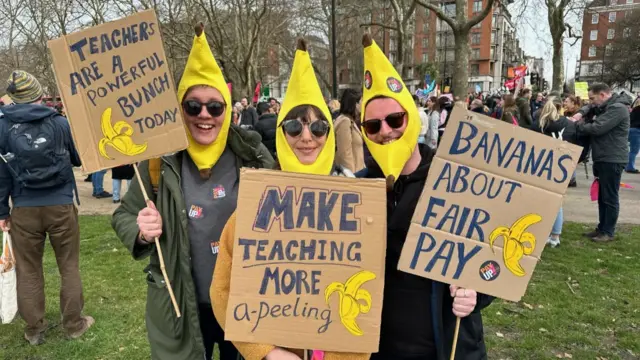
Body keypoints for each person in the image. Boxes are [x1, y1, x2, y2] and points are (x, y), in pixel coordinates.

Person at [111, 25, 274, 360]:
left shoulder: (253, 158)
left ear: (228, 110)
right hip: (182, 305)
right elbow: (124, 215)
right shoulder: (159, 161)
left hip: (244, 306)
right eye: (193, 106)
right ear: (179, 109)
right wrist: (140, 231)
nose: (204, 115)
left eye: (215, 107)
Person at [211, 38, 365, 360]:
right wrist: (266, 352)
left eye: (318, 127)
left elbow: (369, 290)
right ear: (282, 134)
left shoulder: (357, 204)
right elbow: (223, 291)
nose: (306, 137)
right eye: (294, 126)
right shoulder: (257, 203)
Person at [357, 34, 493, 360]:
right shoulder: (357, 192)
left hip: (443, 345)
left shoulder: (455, 183)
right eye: (373, 126)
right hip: (378, 348)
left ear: (413, 119)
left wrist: (478, 292)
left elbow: (491, 258)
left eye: (394, 120)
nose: (385, 131)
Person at [0, 70, 92, 345]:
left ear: (13, 98)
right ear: (40, 95)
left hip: (24, 208)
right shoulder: (60, 122)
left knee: (29, 269)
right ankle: (74, 325)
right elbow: (76, 159)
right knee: (69, 265)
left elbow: (1, 173)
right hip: (61, 205)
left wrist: (2, 212)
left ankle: (34, 330)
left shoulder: (2, 127)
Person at [569, 83, 630, 242]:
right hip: (603, 157)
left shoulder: (618, 109)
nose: (591, 102)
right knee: (603, 195)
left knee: (609, 196)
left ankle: (608, 231)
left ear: (603, 95)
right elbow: (590, 109)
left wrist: (578, 125)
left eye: (592, 98)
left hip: (612, 158)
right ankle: (601, 228)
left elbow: (597, 128)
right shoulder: (606, 107)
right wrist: (580, 113)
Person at [537, 97, 573, 247]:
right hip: (562, 166)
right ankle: (555, 236)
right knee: (557, 201)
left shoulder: (538, 125)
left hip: (540, 165)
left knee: (542, 201)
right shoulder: (568, 124)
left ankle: (545, 233)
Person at [335, 88, 365, 173]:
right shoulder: (345, 122)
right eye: (361, 101)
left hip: (358, 173)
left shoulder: (349, 120)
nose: (363, 104)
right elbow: (345, 154)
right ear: (355, 104)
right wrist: (351, 177)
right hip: (353, 175)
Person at [625, 97, 640, 173]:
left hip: (631, 129)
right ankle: (630, 167)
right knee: (634, 150)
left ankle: (627, 166)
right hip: (637, 130)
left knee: (630, 149)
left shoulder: (635, 108)